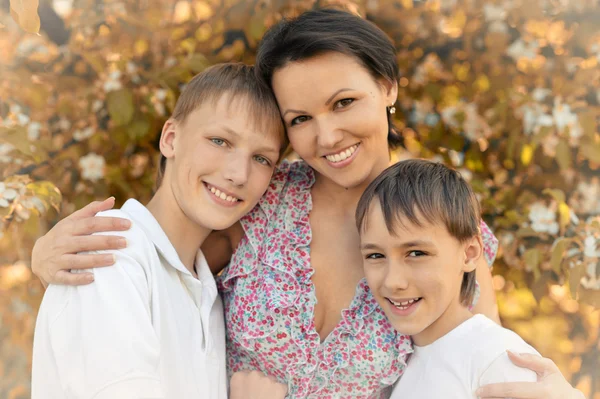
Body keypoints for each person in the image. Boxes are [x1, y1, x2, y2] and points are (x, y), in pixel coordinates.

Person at [30, 8, 584, 399]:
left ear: (388, 87)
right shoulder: (259, 198)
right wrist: (50, 258)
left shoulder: (441, 227)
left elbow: (478, 368)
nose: (326, 136)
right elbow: (166, 264)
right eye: (300, 119)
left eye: (344, 102)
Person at [31, 64, 288, 399]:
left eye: (262, 159)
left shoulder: (207, 291)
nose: (238, 173)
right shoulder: (112, 259)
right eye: (219, 140)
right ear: (171, 139)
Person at [356, 159, 542, 398]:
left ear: (469, 253)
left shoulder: (498, 359)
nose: (393, 281)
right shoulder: (397, 369)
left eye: (416, 253)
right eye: (375, 255)